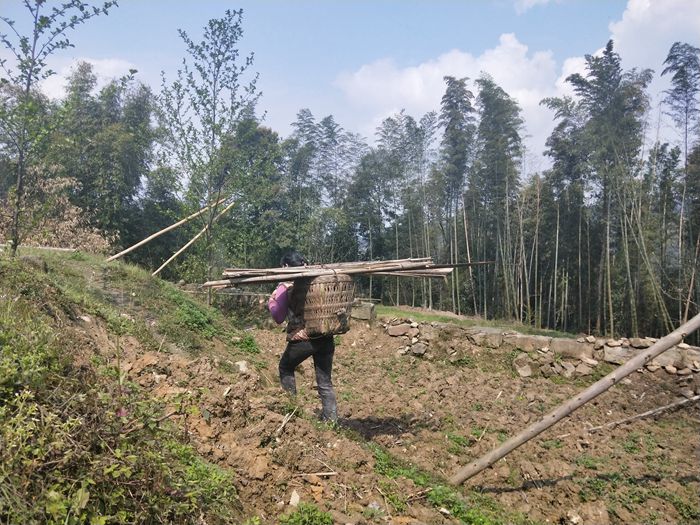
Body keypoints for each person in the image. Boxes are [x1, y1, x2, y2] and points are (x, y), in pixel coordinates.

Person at [269, 251, 338, 423]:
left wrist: (272, 301)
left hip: (304, 339)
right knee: (325, 382)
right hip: (326, 336)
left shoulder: (285, 286)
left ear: (286, 266)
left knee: (285, 367)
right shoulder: (317, 280)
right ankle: (331, 421)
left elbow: (278, 317)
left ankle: (292, 411)